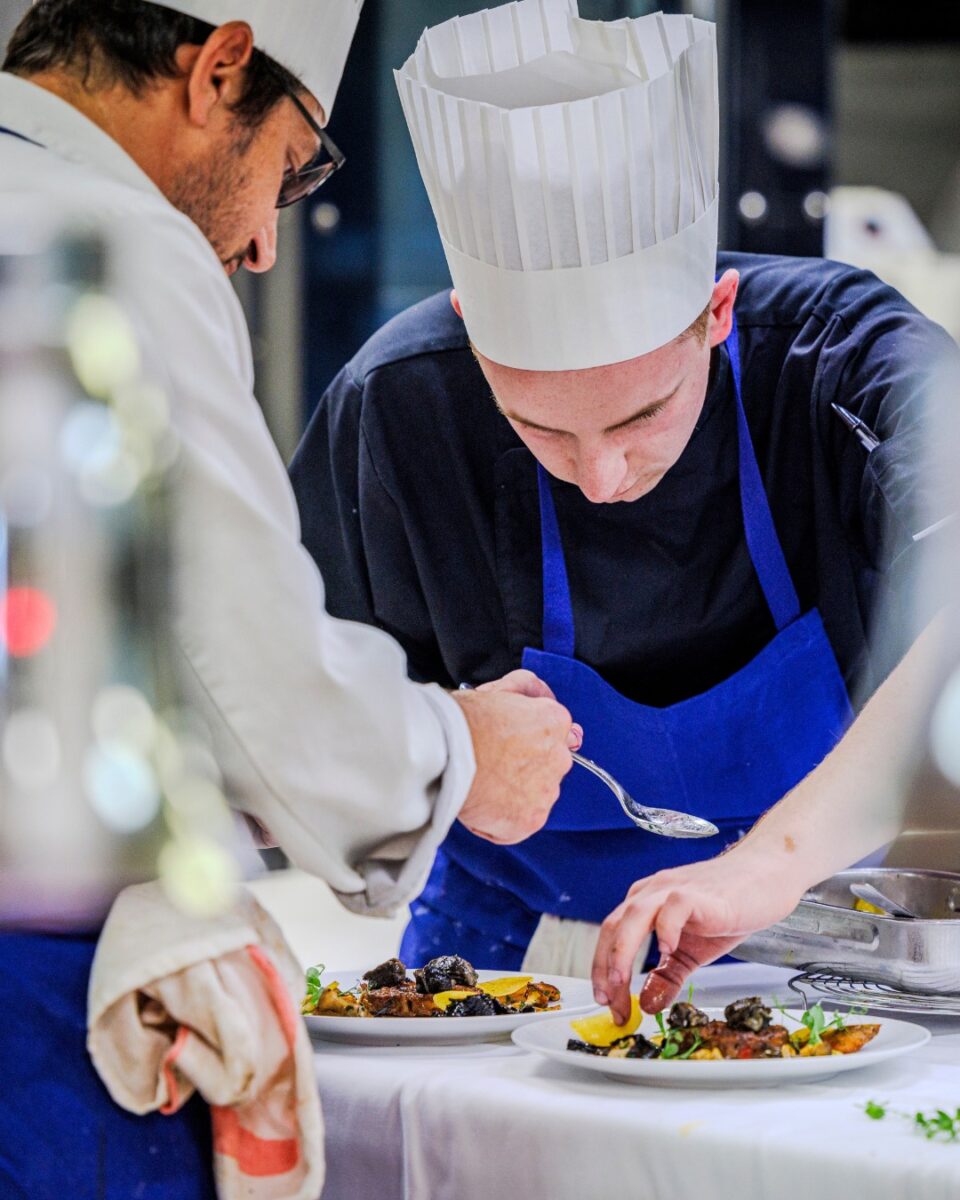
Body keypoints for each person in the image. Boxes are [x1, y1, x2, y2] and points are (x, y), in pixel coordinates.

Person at [0, 2, 576, 1195]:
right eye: (292, 164)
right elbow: (250, 676)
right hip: (34, 1012)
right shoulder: (114, 238)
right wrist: (456, 754)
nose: (267, 243)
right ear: (216, 71)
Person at [290, 1, 958, 979]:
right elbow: (274, 697)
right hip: (510, 956)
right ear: (474, 336)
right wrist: (443, 747)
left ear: (717, 313)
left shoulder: (847, 365)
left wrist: (760, 870)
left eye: (642, 416)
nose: (600, 480)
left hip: (835, 946)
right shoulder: (398, 408)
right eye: (540, 428)